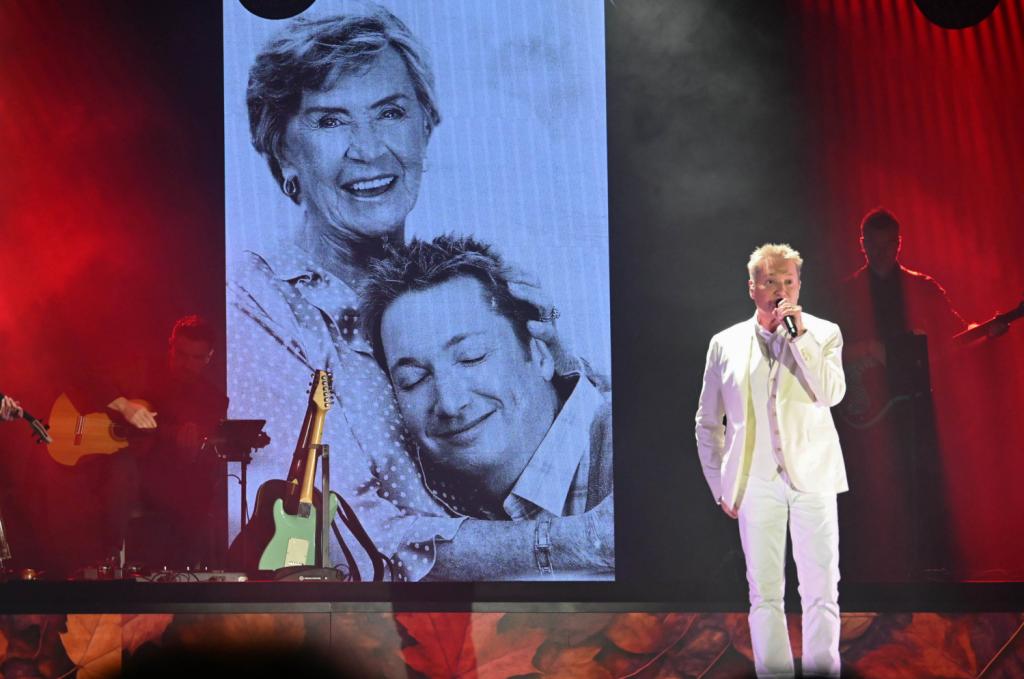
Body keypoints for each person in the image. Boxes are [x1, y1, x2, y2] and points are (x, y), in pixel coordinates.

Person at [229, 7, 595, 580]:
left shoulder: (460, 277)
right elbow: (336, 532)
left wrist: (557, 367)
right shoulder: (255, 306)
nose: (369, 150)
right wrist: (569, 543)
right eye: (330, 121)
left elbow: (571, 453)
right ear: (282, 151)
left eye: (391, 112)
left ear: (426, 125)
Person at [359, 235, 613, 580]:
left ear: (540, 354)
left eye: (471, 357)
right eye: (413, 379)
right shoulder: (432, 498)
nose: (450, 403)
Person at [695, 243, 846, 677]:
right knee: (764, 593)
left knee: (821, 590)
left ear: (799, 285)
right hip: (755, 480)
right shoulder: (724, 343)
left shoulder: (823, 333)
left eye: (788, 281)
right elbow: (708, 421)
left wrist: (800, 339)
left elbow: (831, 393)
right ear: (752, 287)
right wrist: (720, 484)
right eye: (770, 282)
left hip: (813, 477)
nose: (780, 290)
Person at [80, 315, 228, 569]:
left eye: (196, 358)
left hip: (166, 477)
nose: (186, 364)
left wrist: (189, 450)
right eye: (181, 354)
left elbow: (198, 457)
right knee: (122, 469)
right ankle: (109, 558)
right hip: (111, 464)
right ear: (171, 345)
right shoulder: (142, 372)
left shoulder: (212, 400)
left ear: (209, 357)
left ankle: (187, 573)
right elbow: (92, 379)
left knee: (198, 492)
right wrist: (124, 407)